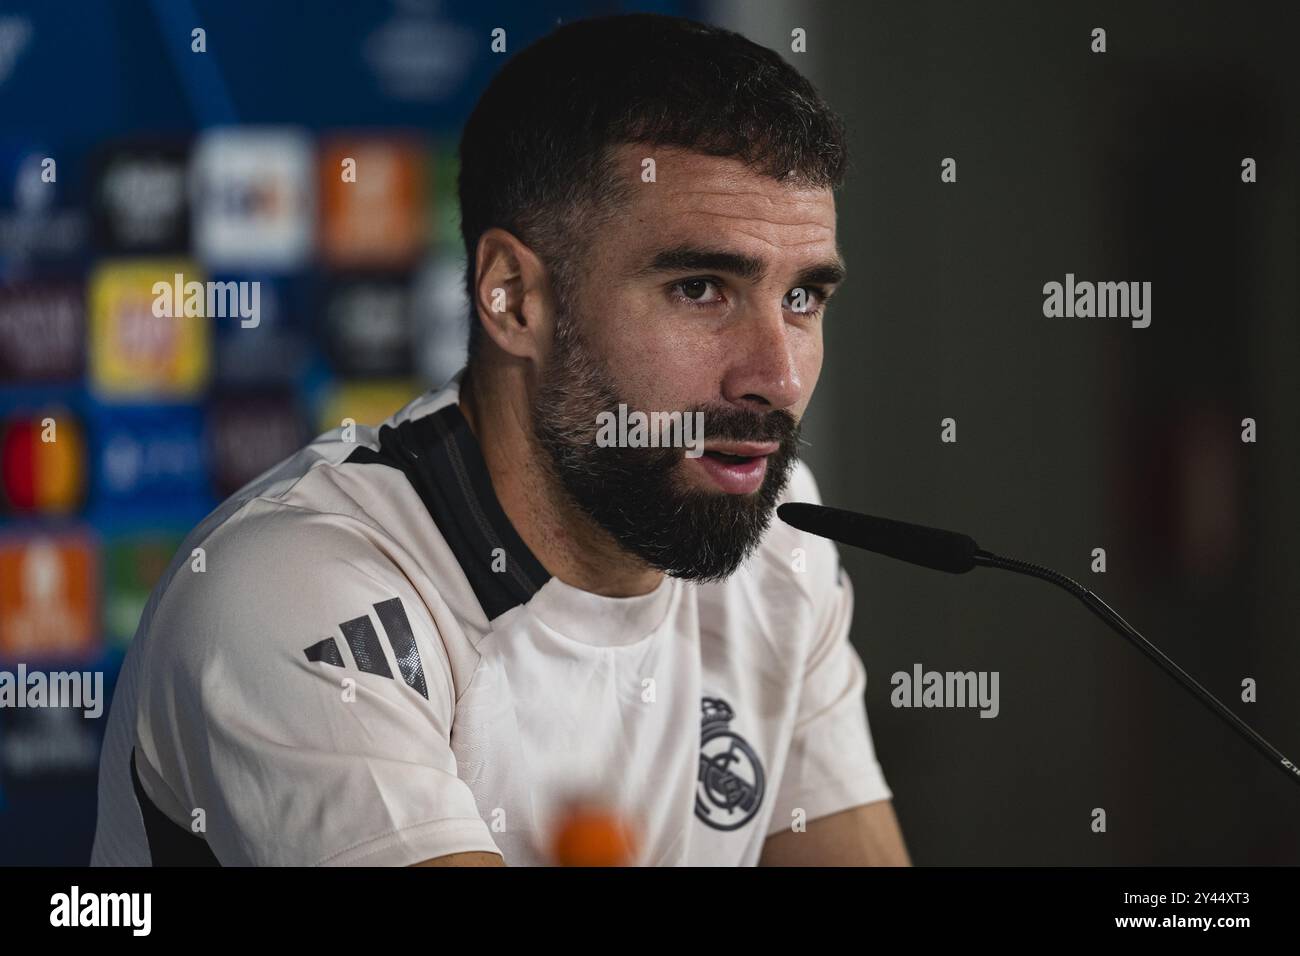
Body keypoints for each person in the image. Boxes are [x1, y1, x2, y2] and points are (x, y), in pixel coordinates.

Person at [91, 12, 910, 867]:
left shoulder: (779, 543)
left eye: (803, 299)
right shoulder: (294, 588)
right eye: (700, 288)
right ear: (515, 298)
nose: (775, 378)